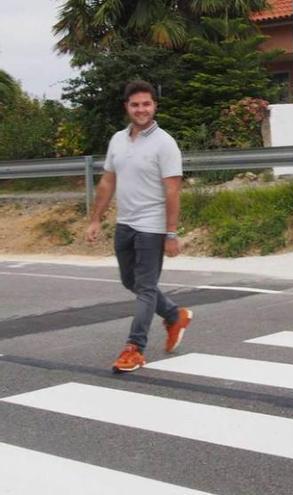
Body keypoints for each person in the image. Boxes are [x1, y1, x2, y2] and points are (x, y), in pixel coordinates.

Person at [85, 80, 193, 374]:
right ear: (127, 108)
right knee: (129, 281)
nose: (141, 109)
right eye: (135, 104)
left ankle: (134, 348)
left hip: (152, 227)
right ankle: (174, 314)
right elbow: (108, 181)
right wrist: (96, 218)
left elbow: (172, 191)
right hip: (125, 224)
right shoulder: (117, 140)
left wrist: (170, 233)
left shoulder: (165, 143)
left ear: (155, 106)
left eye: (146, 104)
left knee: (145, 287)